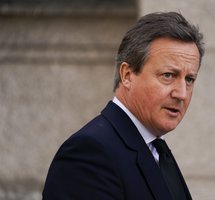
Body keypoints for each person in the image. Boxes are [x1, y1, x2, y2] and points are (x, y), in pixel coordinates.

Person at [43, 11, 204, 200]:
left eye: (189, 79)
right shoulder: (89, 154)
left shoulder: (157, 150)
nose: (182, 93)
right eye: (168, 75)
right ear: (127, 75)